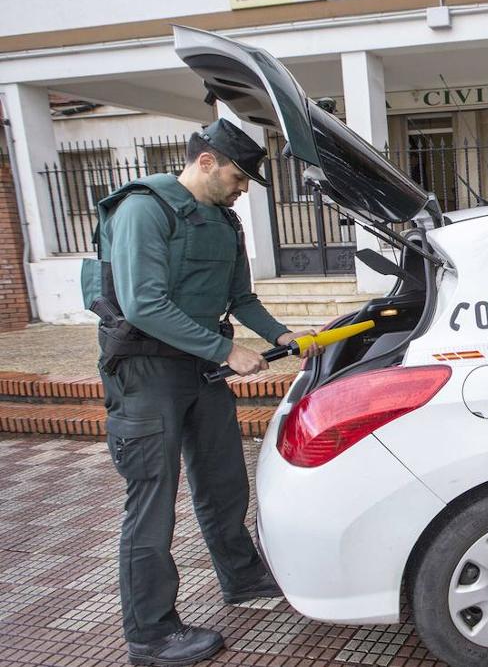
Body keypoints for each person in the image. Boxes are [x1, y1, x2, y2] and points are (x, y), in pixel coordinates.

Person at [85, 119, 320, 666]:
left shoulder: (224, 220)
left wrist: (282, 336)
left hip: (201, 375)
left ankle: (242, 579)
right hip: (146, 374)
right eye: (238, 177)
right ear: (207, 161)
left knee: (222, 482)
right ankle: (150, 633)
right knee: (152, 504)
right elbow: (144, 304)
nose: (243, 190)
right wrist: (226, 352)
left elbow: (240, 296)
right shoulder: (145, 208)